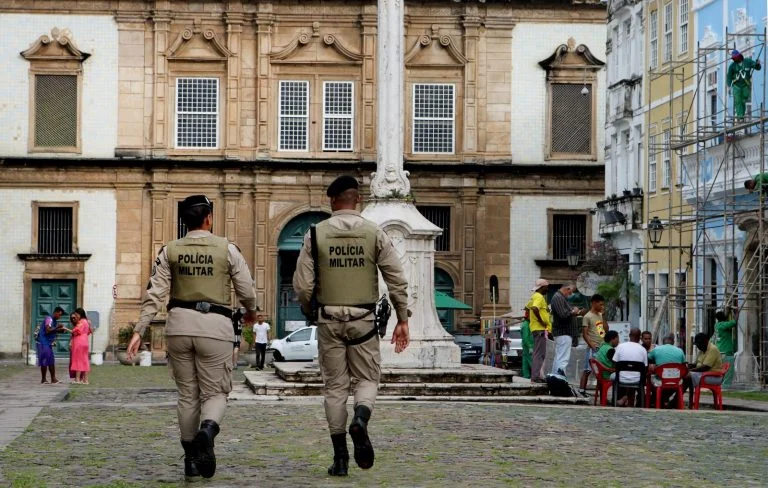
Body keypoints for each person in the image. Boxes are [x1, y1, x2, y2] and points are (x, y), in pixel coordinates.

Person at [127, 194, 259, 481]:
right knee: (216, 392)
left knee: (188, 395)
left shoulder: (169, 250)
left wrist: (140, 330)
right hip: (216, 326)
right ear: (209, 218)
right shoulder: (228, 249)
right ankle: (208, 431)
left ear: (183, 221)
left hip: (178, 326)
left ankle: (190, 461)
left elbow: (155, 292)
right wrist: (251, 311)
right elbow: (246, 288)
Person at [293, 175, 410, 477]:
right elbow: (396, 278)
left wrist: (312, 311)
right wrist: (403, 318)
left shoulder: (315, 234)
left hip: (328, 319)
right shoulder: (374, 233)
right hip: (363, 320)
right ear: (357, 199)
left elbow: (304, 285)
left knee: (334, 387)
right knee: (368, 378)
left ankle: (340, 457)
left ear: (332, 200)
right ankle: (360, 417)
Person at [682, 333, 723, 408]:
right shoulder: (702, 349)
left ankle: (675, 400)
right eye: (697, 345)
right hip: (702, 374)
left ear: (706, 342)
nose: (698, 347)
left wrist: (690, 371)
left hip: (713, 376)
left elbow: (705, 368)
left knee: (687, 376)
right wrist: (686, 366)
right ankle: (679, 400)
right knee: (685, 377)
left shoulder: (712, 349)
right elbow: (696, 364)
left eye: (700, 344)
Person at [550, 284, 582, 376]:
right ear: (568, 289)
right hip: (563, 332)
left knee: (559, 357)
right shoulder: (558, 297)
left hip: (564, 333)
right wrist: (574, 311)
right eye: (571, 291)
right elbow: (563, 315)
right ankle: (559, 378)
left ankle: (556, 377)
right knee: (563, 358)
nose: (571, 294)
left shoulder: (561, 298)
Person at [579, 294, 607, 397]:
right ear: (594, 303)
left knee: (600, 371)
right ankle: (582, 390)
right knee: (587, 369)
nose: (602, 307)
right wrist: (592, 345)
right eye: (600, 304)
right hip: (592, 347)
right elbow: (585, 334)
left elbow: (603, 330)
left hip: (601, 347)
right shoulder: (587, 316)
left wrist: (603, 316)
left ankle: (601, 393)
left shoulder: (599, 315)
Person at [611, 327, 648, 407]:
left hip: (621, 377)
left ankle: (617, 399)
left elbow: (614, 362)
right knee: (635, 376)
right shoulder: (643, 350)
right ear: (640, 338)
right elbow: (644, 367)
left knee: (613, 376)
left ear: (629, 335)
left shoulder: (621, 346)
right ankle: (629, 400)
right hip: (637, 379)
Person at [647, 333, 686, 407]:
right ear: (673, 341)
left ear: (662, 341)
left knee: (651, 377)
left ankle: (656, 401)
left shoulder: (656, 349)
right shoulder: (680, 351)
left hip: (661, 380)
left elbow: (648, 358)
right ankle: (668, 401)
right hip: (676, 381)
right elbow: (683, 365)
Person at [526, 279, 551, 384]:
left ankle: (536, 376)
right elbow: (535, 309)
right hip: (539, 329)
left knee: (539, 353)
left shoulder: (534, 296)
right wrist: (541, 320)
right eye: (546, 287)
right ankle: (535, 377)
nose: (548, 289)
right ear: (541, 288)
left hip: (536, 328)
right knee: (539, 354)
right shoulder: (539, 297)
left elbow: (527, 308)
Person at [727, 49, 761, 121]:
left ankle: (741, 115)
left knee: (743, 100)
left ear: (739, 56)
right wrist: (729, 86)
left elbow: (757, 67)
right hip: (736, 86)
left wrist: (758, 64)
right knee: (738, 101)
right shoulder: (732, 66)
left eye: (736, 57)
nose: (735, 59)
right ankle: (740, 117)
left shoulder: (748, 61)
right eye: (733, 58)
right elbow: (729, 76)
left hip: (745, 85)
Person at [36, 306, 66, 384]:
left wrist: (61, 331)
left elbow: (53, 330)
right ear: (55, 312)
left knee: (51, 361)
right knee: (45, 361)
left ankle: (53, 379)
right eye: (59, 314)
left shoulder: (54, 321)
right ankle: (43, 379)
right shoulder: (49, 319)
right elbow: (48, 330)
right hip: (43, 342)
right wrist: (57, 327)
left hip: (48, 344)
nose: (60, 317)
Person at [67, 308, 92, 385]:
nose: (76, 316)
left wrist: (65, 328)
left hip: (79, 342)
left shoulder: (81, 322)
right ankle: (85, 380)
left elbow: (75, 332)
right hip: (85, 342)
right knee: (85, 360)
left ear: (80, 314)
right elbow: (89, 331)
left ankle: (77, 379)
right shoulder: (87, 322)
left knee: (78, 360)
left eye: (77, 314)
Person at [714, 309, 737, 386]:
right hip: (726, 350)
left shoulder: (717, 325)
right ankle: (726, 385)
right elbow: (734, 322)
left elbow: (725, 320)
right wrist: (736, 313)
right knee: (728, 369)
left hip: (720, 350)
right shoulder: (724, 325)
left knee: (722, 368)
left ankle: (721, 383)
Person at [520, 308, 534, 379]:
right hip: (528, 346)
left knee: (525, 360)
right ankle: (535, 374)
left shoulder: (527, 324)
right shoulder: (526, 325)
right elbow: (526, 338)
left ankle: (526, 375)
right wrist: (530, 346)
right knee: (531, 360)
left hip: (527, 346)